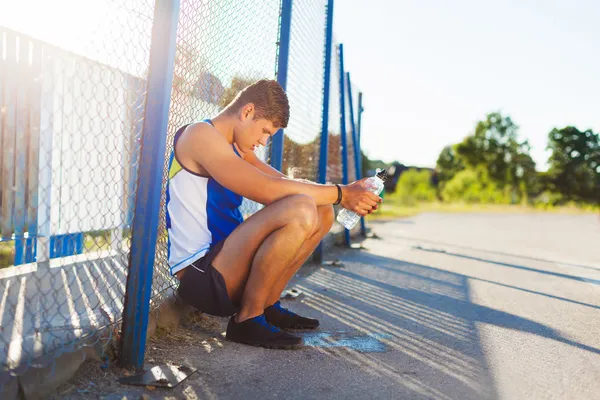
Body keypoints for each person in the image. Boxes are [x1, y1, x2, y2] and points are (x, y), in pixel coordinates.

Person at [167, 79, 381, 349]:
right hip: (202, 275)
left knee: (321, 209)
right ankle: (247, 319)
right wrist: (342, 194)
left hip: (228, 263)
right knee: (301, 207)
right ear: (247, 112)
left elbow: (291, 185)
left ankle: (266, 305)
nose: (263, 141)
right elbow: (268, 190)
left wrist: (347, 193)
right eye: (265, 131)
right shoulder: (199, 135)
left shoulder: (236, 149)